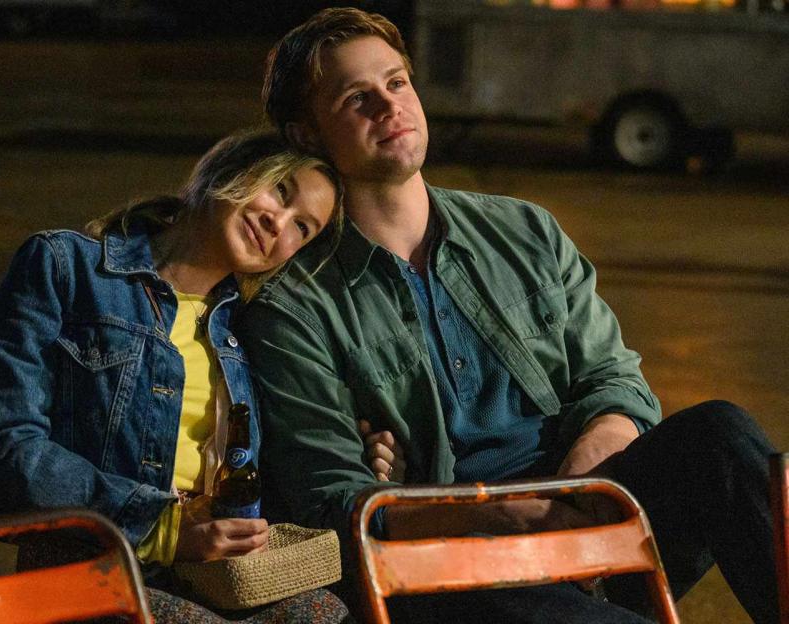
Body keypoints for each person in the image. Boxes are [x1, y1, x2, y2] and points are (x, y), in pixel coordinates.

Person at [236, 8, 779, 623]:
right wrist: (512, 515)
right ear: (307, 135)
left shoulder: (525, 231)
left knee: (720, 434)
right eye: (356, 98)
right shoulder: (296, 307)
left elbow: (613, 380)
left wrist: (581, 483)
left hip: (585, 505)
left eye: (396, 82)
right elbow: (335, 502)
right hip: (452, 561)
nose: (390, 107)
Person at [0, 130, 395, 622]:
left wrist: (347, 451)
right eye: (280, 191)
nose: (277, 223)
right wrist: (162, 526)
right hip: (86, 562)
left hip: (209, 577)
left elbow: (267, 470)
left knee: (327, 613)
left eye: (302, 227)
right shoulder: (66, 267)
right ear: (229, 168)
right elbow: (5, 445)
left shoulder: (248, 331)